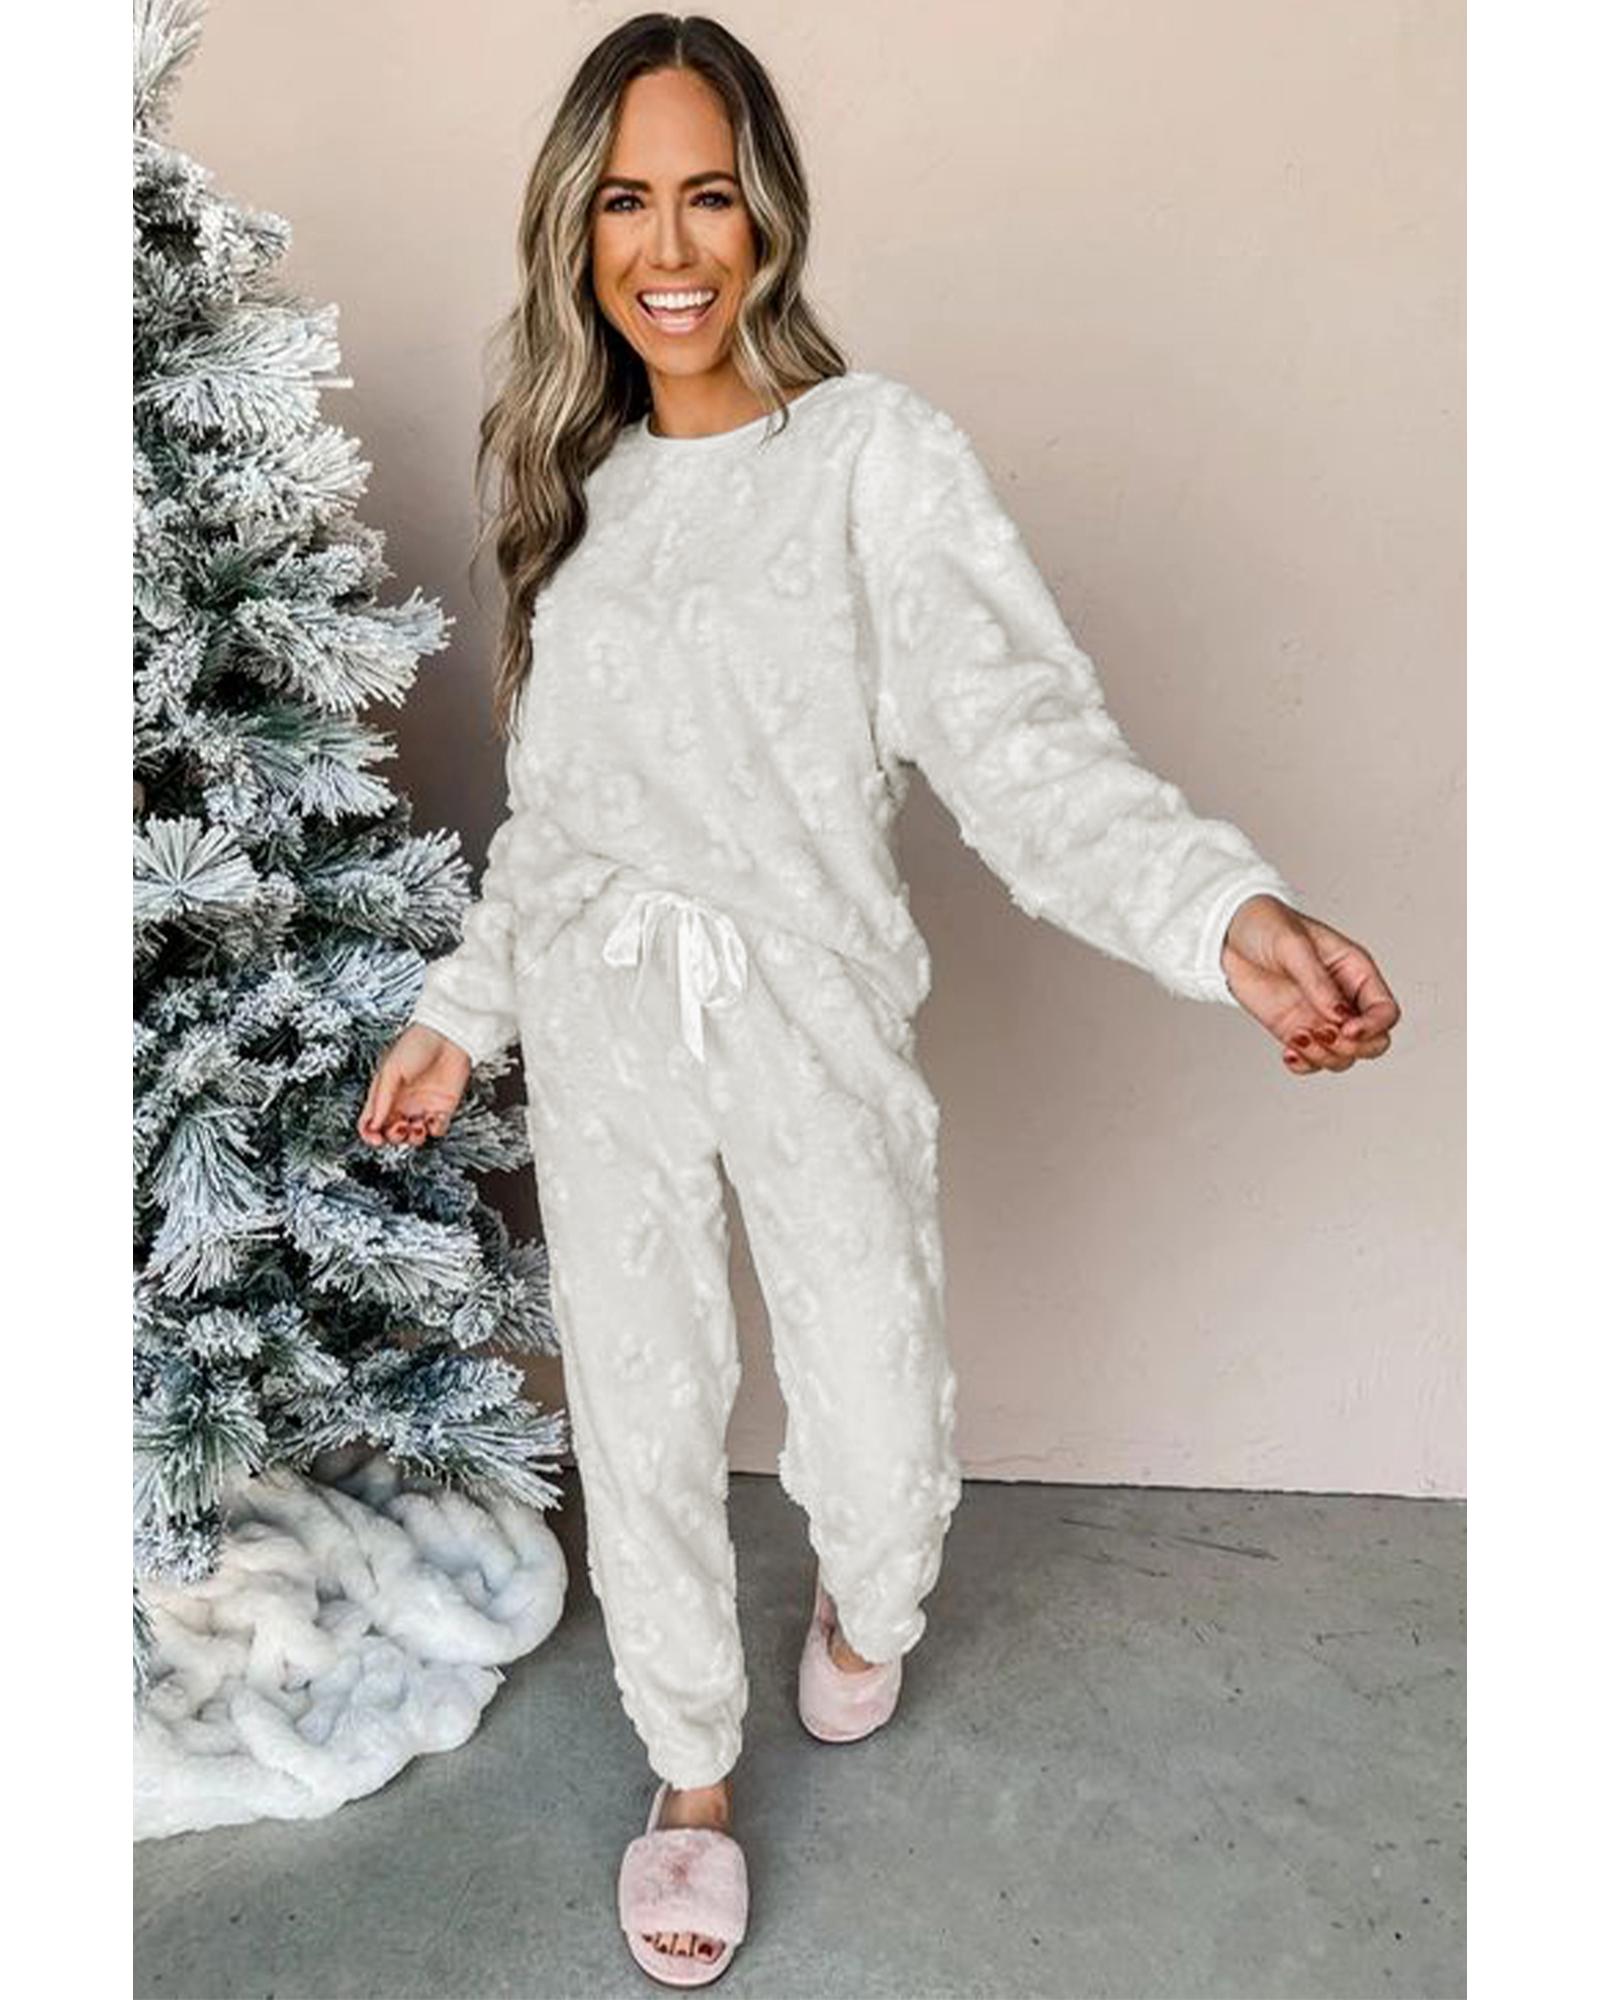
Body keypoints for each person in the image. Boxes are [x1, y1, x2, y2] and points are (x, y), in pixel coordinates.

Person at [358, 13, 1400, 1984]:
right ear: (577, 231)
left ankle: (868, 1601)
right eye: (626, 201)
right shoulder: (571, 492)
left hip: (807, 1015)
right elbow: (559, 825)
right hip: (602, 1025)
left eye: (709, 194)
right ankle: (687, 1772)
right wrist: (457, 1015)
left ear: (769, 214)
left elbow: (1023, 743)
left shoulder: (871, 458)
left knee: (875, 1417)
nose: (670, 246)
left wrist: (1221, 912)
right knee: (644, 1415)